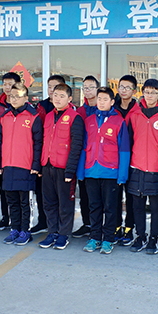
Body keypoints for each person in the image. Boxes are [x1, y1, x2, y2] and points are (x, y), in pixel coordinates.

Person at [77, 87, 130, 255]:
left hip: (111, 172)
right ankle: (95, 237)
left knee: (110, 207)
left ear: (112, 102)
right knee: (94, 206)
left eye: (105, 99)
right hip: (91, 171)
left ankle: (108, 238)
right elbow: (83, 147)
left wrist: (122, 175)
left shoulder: (119, 122)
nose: (101, 102)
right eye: (99, 99)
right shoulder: (89, 121)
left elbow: (124, 150)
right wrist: (81, 171)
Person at [127, 79, 158, 254]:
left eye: (154, 92)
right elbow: (128, 144)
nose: (150, 95)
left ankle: (154, 238)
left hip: (156, 170)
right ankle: (140, 236)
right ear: (143, 93)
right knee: (137, 206)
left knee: (155, 207)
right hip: (136, 168)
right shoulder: (135, 116)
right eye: (147, 92)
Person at [0, 82, 43, 246]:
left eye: (18, 96)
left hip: (26, 167)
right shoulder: (5, 117)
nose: (14, 99)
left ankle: (25, 231)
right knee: (12, 202)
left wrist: (36, 165)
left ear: (26, 98)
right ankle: (14, 229)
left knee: (25, 203)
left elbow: (38, 144)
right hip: (8, 165)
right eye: (11, 96)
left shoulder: (33, 117)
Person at [38, 83, 84, 250]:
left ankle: (63, 234)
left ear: (69, 99)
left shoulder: (75, 117)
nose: (57, 99)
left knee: (65, 204)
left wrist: (70, 171)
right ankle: (52, 232)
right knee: (49, 203)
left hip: (64, 168)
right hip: (47, 165)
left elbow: (76, 146)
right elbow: (43, 141)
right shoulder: (49, 116)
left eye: (62, 96)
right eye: (55, 95)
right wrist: (40, 165)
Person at [32, 74, 67, 235]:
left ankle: (60, 227)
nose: (52, 90)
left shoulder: (69, 110)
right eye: (49, 87)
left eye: (56, 87)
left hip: (60, 160)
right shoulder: (42, 106)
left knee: (60, 196)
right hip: (43, 157)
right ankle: (43, 221)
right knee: (42, 194)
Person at [0, 71, 21, 232]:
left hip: (20, 156)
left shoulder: (24, 107)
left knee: (20, 191)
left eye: (10, 84)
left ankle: (20, 221)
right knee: (4, 189)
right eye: (5, 84)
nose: (7, 87)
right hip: (3, 154)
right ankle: (5, 217)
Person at [113, 74, 141, 246]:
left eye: (127, 87)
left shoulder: (138, 111)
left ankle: (129, 228)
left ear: (134, 91)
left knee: (131, 197)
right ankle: (116, 226)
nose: (123, 90)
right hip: (113, 160)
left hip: (133, 160)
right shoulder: (112, 109)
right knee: (114, 196)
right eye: (121, 87)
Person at [72, 75, 99, 238]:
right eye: (85, 88)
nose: (87, 90)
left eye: (91, 87)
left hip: (100, 159)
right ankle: (87, 224)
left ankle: (100, 226)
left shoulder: (103, 110)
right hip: (83, 157)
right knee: (84, 194)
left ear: (97, 89)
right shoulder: (79, 112)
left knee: (99, 197)